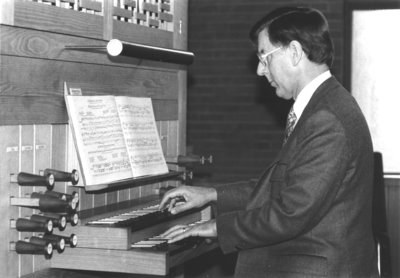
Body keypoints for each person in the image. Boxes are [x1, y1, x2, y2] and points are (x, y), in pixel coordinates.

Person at [159, 6, 378, 278]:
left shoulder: (327, 118)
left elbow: (290, 212)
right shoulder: (323, 104)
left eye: (265, 57)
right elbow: (282, 187)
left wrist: (215, 227)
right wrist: (211, 194)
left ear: (295, 52)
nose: (261, 71)